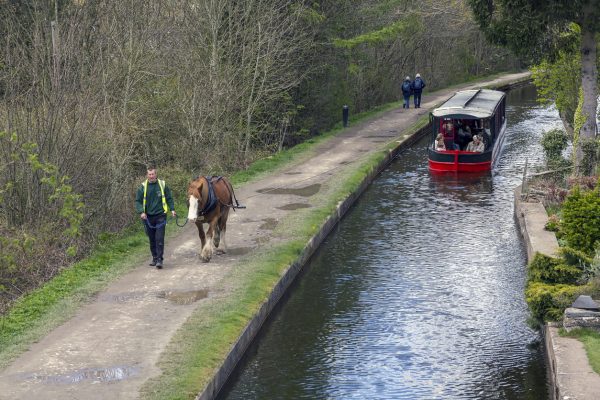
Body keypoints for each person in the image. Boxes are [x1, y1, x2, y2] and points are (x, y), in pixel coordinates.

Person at [135, 166, 176, 269]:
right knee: (152, 239)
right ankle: (154, 257)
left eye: (153, 174)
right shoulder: (143, 187)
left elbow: (169, 198)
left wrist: (172, 209)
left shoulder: (162, 184)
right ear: (147, 175)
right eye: (149, 174)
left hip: (161, 215)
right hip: (148, 217)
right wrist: (141, 212)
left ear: (156, 174)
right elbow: (138, 201)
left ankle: (159, 260)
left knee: (159, 238)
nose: (151, 176)